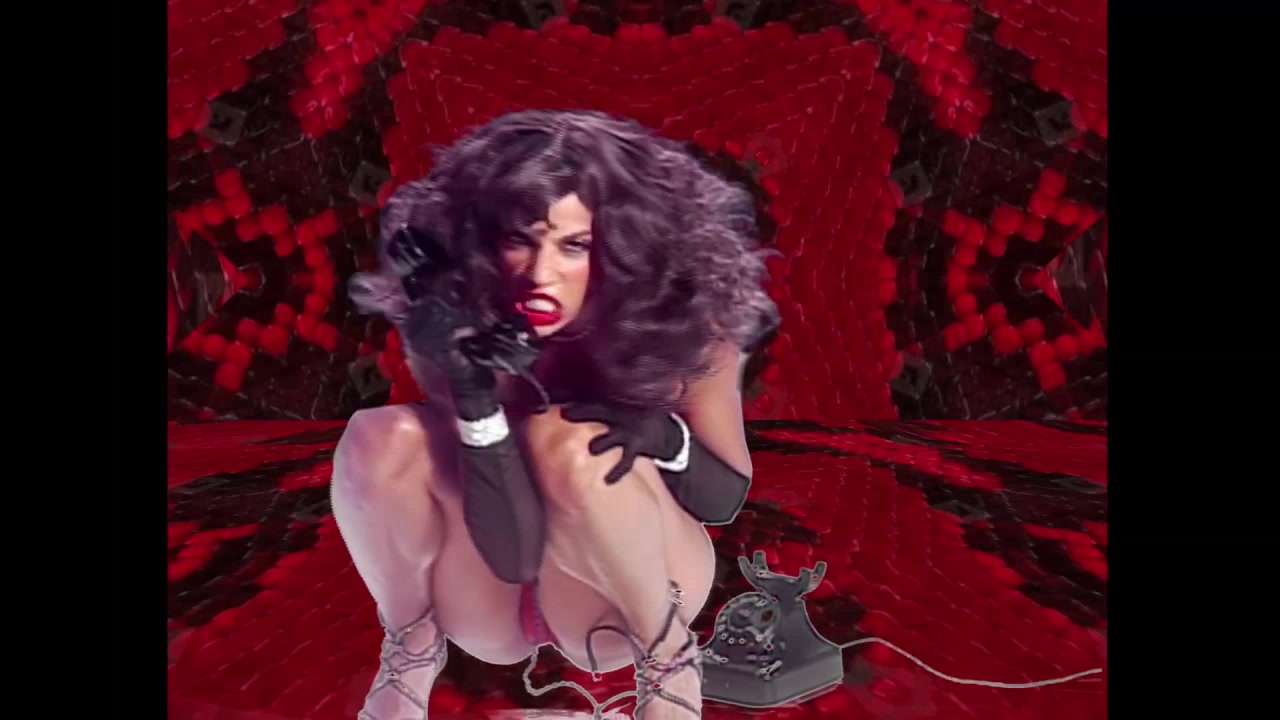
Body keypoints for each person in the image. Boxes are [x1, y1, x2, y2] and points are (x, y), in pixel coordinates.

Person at [330, 109, 778, 719]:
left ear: (622, 245)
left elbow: (724, 497)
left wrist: (664, 437)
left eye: (574, 245)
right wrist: (472, 385)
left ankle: (671, 661)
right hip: (492, 585)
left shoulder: (690, 324)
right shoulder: (458, 317)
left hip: (628, 593)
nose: (542, 274)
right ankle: (411, 649)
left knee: (567, 442)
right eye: (521, 240)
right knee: (379, 438)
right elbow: (512, 552)